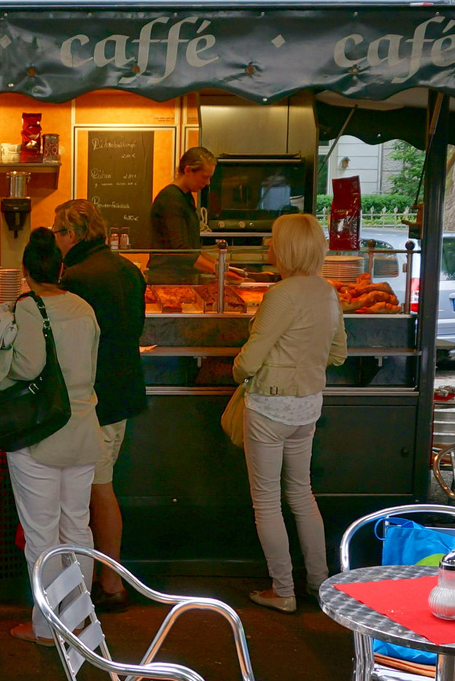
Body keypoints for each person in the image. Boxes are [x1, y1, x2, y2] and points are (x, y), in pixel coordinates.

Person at [0, 228, 102, 647]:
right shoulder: (84, 308)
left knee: (42, 536)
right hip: (83, 430)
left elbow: (26, 368)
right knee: (77, 528)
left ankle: (47, 628)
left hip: (40, 436)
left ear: (26, 271)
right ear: (61, 268)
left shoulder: (30, 308)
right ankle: (80, 623)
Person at [233, 213, 347, 614]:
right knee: (301, 492)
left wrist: (239, 370)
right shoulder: (328, 292)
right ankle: (319, 582)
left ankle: (282, 590)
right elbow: (338, 353)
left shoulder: (281, 294)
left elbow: (249, 363)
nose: (269, 249)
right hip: (308, 406)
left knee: (266, 501)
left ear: (287, 248)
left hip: (269, 407)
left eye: (273, 243)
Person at [52, 198, 147, 611]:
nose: (56, 241)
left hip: (93, 398)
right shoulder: (128, 270)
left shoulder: (75, 277)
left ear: (71, 234)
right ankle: (104, 579)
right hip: (123, 393)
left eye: (57, 233)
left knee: (97, 491)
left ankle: (109, 585)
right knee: (100, 488)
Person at [147, 145, 233, 284]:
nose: (207, 183)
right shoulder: (170, 198)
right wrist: (219, 270)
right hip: (167, 280)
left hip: (181, 278)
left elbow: (192, 248)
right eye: (205, 177)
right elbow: (180, 250)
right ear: (188, 170)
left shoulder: (186, 197)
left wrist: (220, 265)